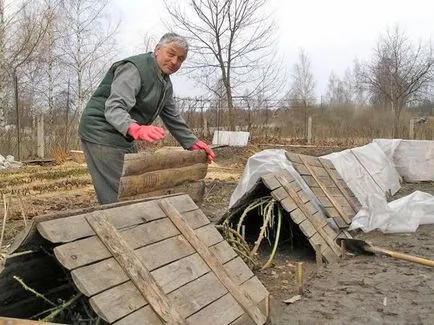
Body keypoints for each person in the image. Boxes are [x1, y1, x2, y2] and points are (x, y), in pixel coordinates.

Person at [78, 32, 215, 205]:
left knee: (133, 183)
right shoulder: (134, 69)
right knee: (119, 191)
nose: (174, 62)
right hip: (101, 131)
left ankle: (133, 223)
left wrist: (192, 142)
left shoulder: (164, 82)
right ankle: (120, 225)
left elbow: (171, 115)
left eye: (180, 59)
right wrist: (137, 129)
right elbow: (114, 108)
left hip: (122, 135)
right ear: (157, 49)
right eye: (171, 54)